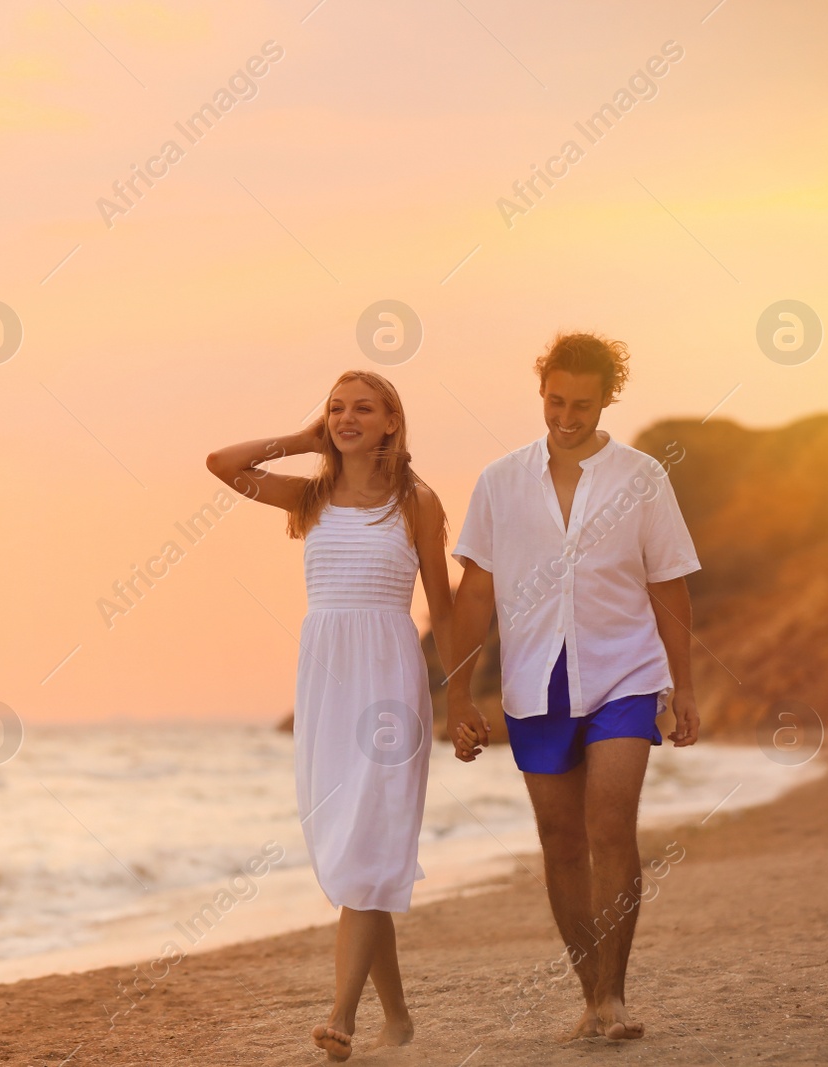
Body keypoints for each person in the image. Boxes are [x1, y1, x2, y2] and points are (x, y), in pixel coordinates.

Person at [206, 370, 473, 1061]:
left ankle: (341, 1015)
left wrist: (462, 700)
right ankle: (401, 1019)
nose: (348, 417)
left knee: (367, 846)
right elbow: (223, 464)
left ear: (392, 421)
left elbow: (441, 610)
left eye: (364, 408)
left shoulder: (418, 501)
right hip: (327, 682)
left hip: (389, 678)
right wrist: (300, 439)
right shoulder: (311, 495)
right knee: (358, 853)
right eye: (336, 408)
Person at [444, 332, 701, 1041]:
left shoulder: (642, 476)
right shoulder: (499, 480)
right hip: (533, 680)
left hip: (623, 671)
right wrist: (458, 694)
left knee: (610, 826)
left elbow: (669, 587)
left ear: (607, 398)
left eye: (581, 403)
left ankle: (614, 997)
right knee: (560, 840)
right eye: (555, 400)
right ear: (541, 393)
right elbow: (475, 595)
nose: (566, 415)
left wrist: (684, 688)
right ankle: (590, 994)